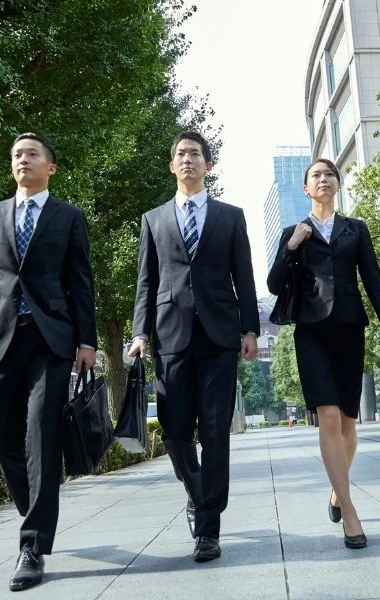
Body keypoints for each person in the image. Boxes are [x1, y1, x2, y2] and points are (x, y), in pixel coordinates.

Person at [0, 133, 97, 591]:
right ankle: (36, 503)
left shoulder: (69, 216)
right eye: (16, 155)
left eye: (32, 155)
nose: (22, 160)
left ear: (50, 167)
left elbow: (81, 282)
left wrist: (87, 340)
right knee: (2, 444)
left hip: (51, 340)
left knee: (40, 434)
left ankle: (32, 546)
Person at [128, 131, 259, 562]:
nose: (188, 160)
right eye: (181, 154)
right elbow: (147, 281)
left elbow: (244, 274)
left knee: (216, 430)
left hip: (220, 336)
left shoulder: (230, 216)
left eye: (196, 154)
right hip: (169, 337)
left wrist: (250, 330)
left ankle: (208, 528)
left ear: (208, 166)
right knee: (176, 430)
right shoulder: (153, 219)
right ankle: (199, 489)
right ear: (172, 165)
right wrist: (139, 333)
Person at [267, 158, 380, 549]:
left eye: (330, 175)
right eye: (316, 176)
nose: (324, 179)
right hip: (311, 332)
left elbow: (374, 282)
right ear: (306, 189)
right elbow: (276, 283)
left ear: (337, 185)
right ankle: (350, 511)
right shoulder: (294, 231)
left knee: (347, 426)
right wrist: (292, 247)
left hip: (348, 328)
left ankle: (335, 490)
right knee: (327, 416)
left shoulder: (355, 230)